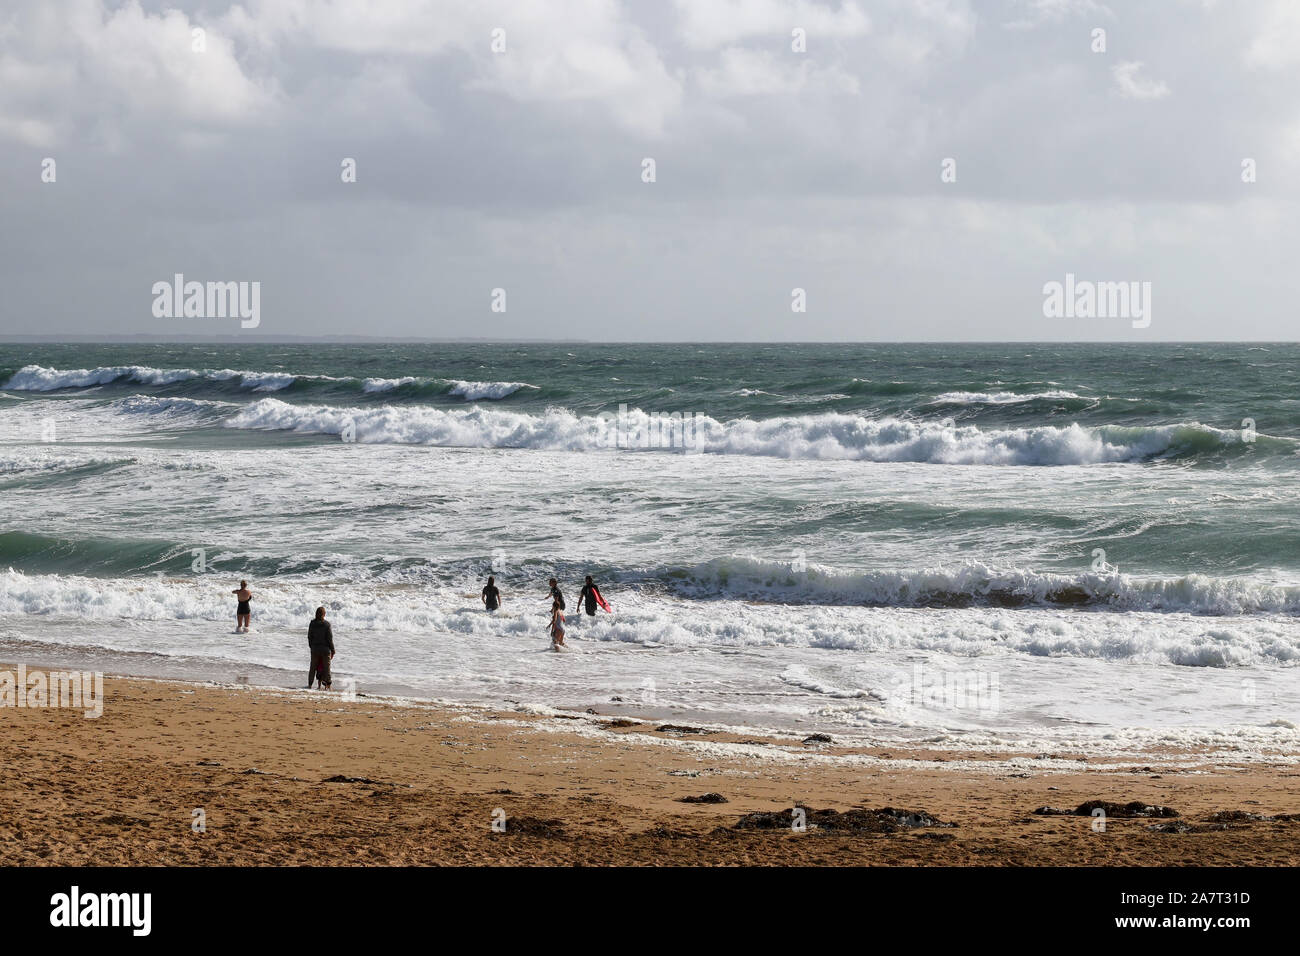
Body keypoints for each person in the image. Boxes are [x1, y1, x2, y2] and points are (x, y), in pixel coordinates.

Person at [307, 606, 335, 690]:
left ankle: (310, 685)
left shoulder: (312, 623)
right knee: (327, 669)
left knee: (313, 668)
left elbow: (309, 636)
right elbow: (329, 639)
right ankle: (329, 686)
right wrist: (333, 650)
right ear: (324, 614)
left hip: (315, 649)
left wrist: (311, 646)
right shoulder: (327, 624)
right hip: (325, 650)